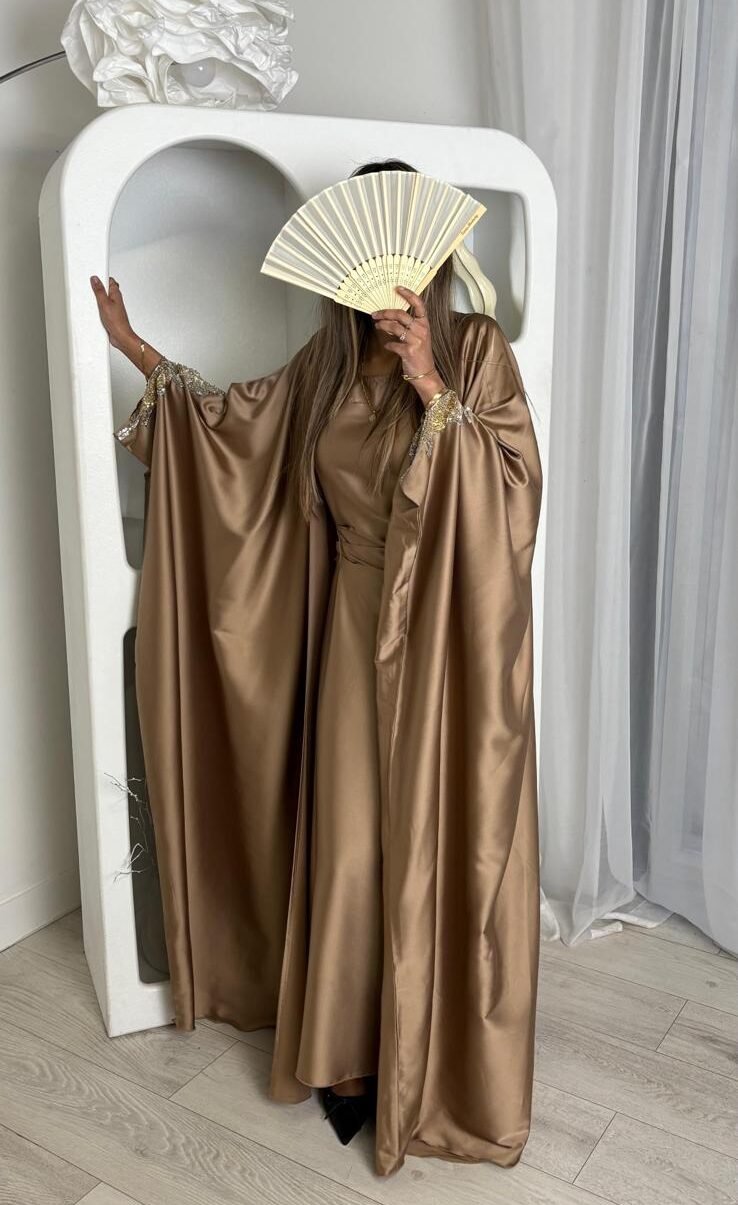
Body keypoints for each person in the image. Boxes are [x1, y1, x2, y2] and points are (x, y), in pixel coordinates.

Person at [91, 158, 544, 1177]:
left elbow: (515, 489)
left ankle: (431, 1058)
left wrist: (433, 384)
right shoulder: (325, 366)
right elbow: (237, 435)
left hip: (445, 637)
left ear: (428, 255)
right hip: (350, 620)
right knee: (350, 846)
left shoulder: (476, 345)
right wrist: (140, 352)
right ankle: (348, 1049)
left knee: (434, 839)